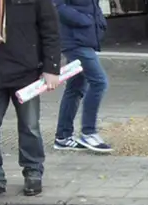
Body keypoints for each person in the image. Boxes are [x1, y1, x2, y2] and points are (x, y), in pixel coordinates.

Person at [0, 0, 61, 201]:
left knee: (29, 126)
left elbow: (50, 29)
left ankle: (33, 172)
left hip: (26, 72)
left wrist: (51, 68)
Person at [52, 0, 113, 153]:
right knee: (99, 82)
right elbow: (57, 5)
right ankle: (88, 132)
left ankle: (63, 137)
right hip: (74, 41)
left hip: (83, 37)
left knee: (75, 88)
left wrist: (98, 21)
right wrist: (84, 20)